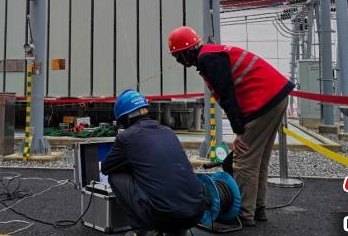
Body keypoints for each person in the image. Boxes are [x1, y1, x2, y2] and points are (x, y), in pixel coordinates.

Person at [167, 26, 294, 226]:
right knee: (259, 159)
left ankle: (243, 213)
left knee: (243, 160)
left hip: (263, 102)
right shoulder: (212, 54)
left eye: (177, 55)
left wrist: (239, 131)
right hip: (276, 97)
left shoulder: (208, 59)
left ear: (187, 50)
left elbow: (227, 94)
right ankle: (257, 208)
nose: (178, 61)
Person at [101, 90, 205, 236]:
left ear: (125, 118)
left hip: (163, 217)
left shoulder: (126, 137)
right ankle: (178, 232)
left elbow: (106, 168)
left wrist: (128, 165)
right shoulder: (168, 132)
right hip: (196, 212)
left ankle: (144, 231)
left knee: (115, 177)